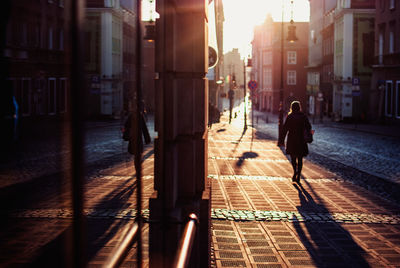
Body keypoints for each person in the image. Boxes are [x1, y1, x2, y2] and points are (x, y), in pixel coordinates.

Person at [282, 101, 312, 183]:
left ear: (292, 107)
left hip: (292, 140)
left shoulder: (290, 116)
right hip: (301, 140)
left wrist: (282, 140)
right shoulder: (303, 116)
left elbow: (285, 128)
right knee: (300, 158)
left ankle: (295, 171)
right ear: (299, 107)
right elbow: (309, 127)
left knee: (293, 158)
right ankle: (298, 174)